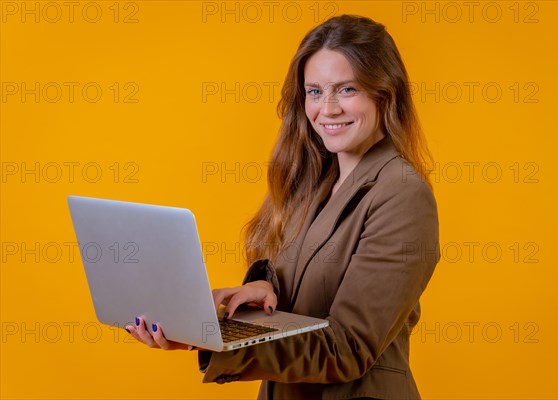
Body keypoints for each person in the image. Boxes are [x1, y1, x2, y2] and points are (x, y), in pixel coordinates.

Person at [126, 14, 440, 400]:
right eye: (314, 91)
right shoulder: (315, 181)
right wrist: (265, 290)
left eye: (346, 89)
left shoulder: (402, 196)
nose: (327, 109)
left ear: (384, 92)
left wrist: (210, 341)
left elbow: (347, 348)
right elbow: (313, 284)